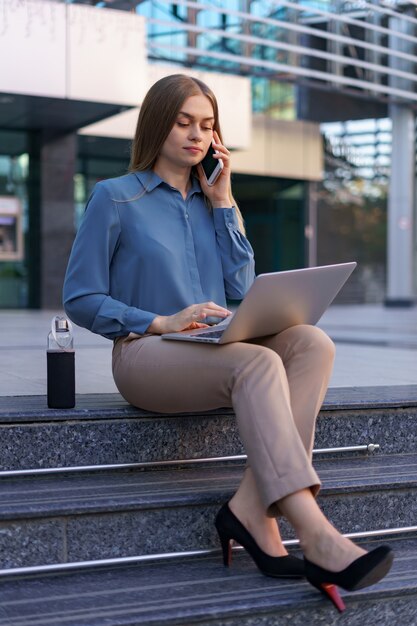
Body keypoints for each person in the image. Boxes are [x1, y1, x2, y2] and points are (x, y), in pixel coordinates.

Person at [63, 73, 393, 612]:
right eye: (184, 121)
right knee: (260, 364)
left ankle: (248, 507)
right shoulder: (115, 198)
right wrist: (161, 322)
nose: (197, 135)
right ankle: (315, 532)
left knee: (311, 342)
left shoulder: (215, 201)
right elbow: (80, 296)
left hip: (216, 348)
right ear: (158, 124)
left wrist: (225, 203)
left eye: (208, 125)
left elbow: (242, 288)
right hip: (145, 354)